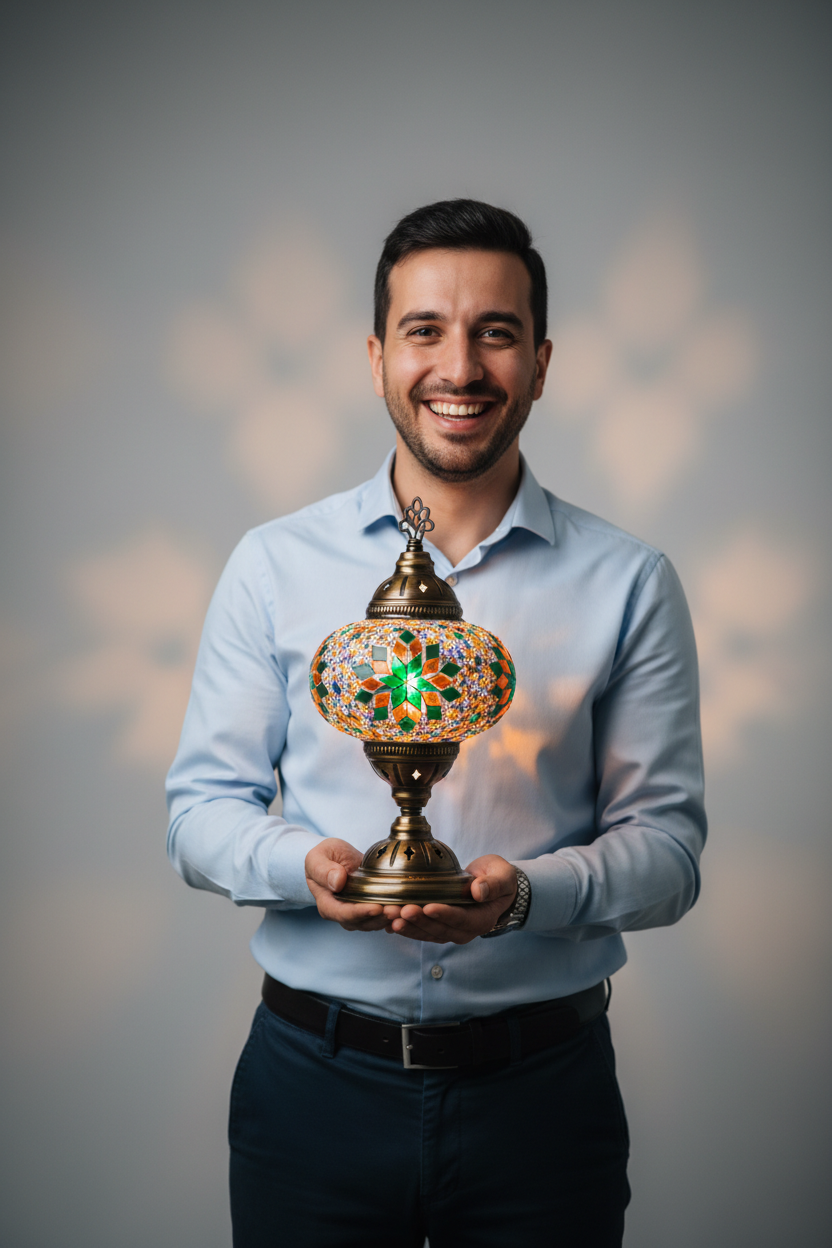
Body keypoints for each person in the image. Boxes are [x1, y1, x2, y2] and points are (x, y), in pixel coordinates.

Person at [166, 199, 706, 1247]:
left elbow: (669, 855)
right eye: (425, 330)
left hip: (541, 1099)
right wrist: (306, 869)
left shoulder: (628, 581)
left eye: (495, 332)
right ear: (376, 358)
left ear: (541, 364)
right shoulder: (273, 566)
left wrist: (521, 898)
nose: (459, 367)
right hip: (312, 1088)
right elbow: (198, 816)